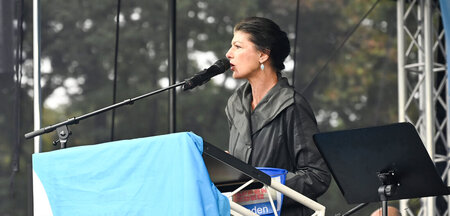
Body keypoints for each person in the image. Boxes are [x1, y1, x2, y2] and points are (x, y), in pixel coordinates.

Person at [225, 16, 331, 216]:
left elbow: (317, 177)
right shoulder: (235, 104)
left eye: (238, 47)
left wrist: (263, 186)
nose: (229, 54)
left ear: (263, 55)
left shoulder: (292, 105)